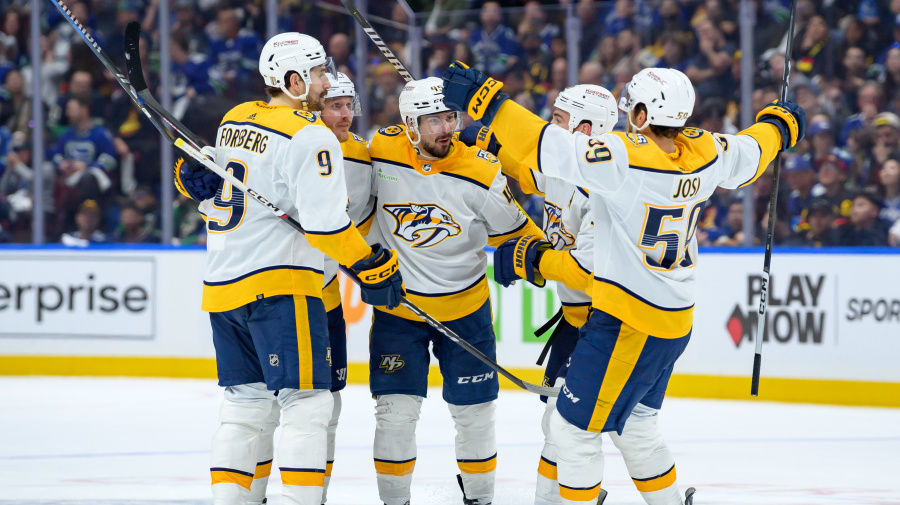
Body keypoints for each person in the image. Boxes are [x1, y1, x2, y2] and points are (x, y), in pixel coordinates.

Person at [442, 63, 804, 504]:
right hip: (672, 319)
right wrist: (780, 126)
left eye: (629, 108)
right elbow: (750, 151)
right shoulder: (705, 149)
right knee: (636, 426)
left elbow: (550, 148)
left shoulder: (624, 160)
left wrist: (490, 104)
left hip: (628, 320)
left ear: (641, 116)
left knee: (571, 430)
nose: (624, 117)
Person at [175, 32, 403, 505]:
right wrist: (370, 263)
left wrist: (188, 177)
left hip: (223, 283)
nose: (326, 82)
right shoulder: (311, 134)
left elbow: (214, 183)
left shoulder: (236, 117)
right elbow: (324, 227)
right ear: (295, 80)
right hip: (280, 285)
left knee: (245, 407)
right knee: (308, 403)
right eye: (320, 74)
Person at [366, 76, 542, 505]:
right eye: (434, 120)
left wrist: (534, 258)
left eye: (451, 116)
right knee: (395, 415)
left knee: (476, 416)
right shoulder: (380, 151)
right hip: (399, 312)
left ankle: (479, 500)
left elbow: (525, 236)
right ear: (409, 125)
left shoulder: (481, 171)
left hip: (467, 312)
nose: (447, 128)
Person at [464, 84, 618, 505]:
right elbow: (525, 170)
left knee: (579, 424)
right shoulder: (567, 168)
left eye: (559, 119)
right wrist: (489, 138)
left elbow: (588, 275)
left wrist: (534, 259)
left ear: (587, 128)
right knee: (561, 425)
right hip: (576, 322)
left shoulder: (603, 194)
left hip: (605, 324)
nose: (551, 126)